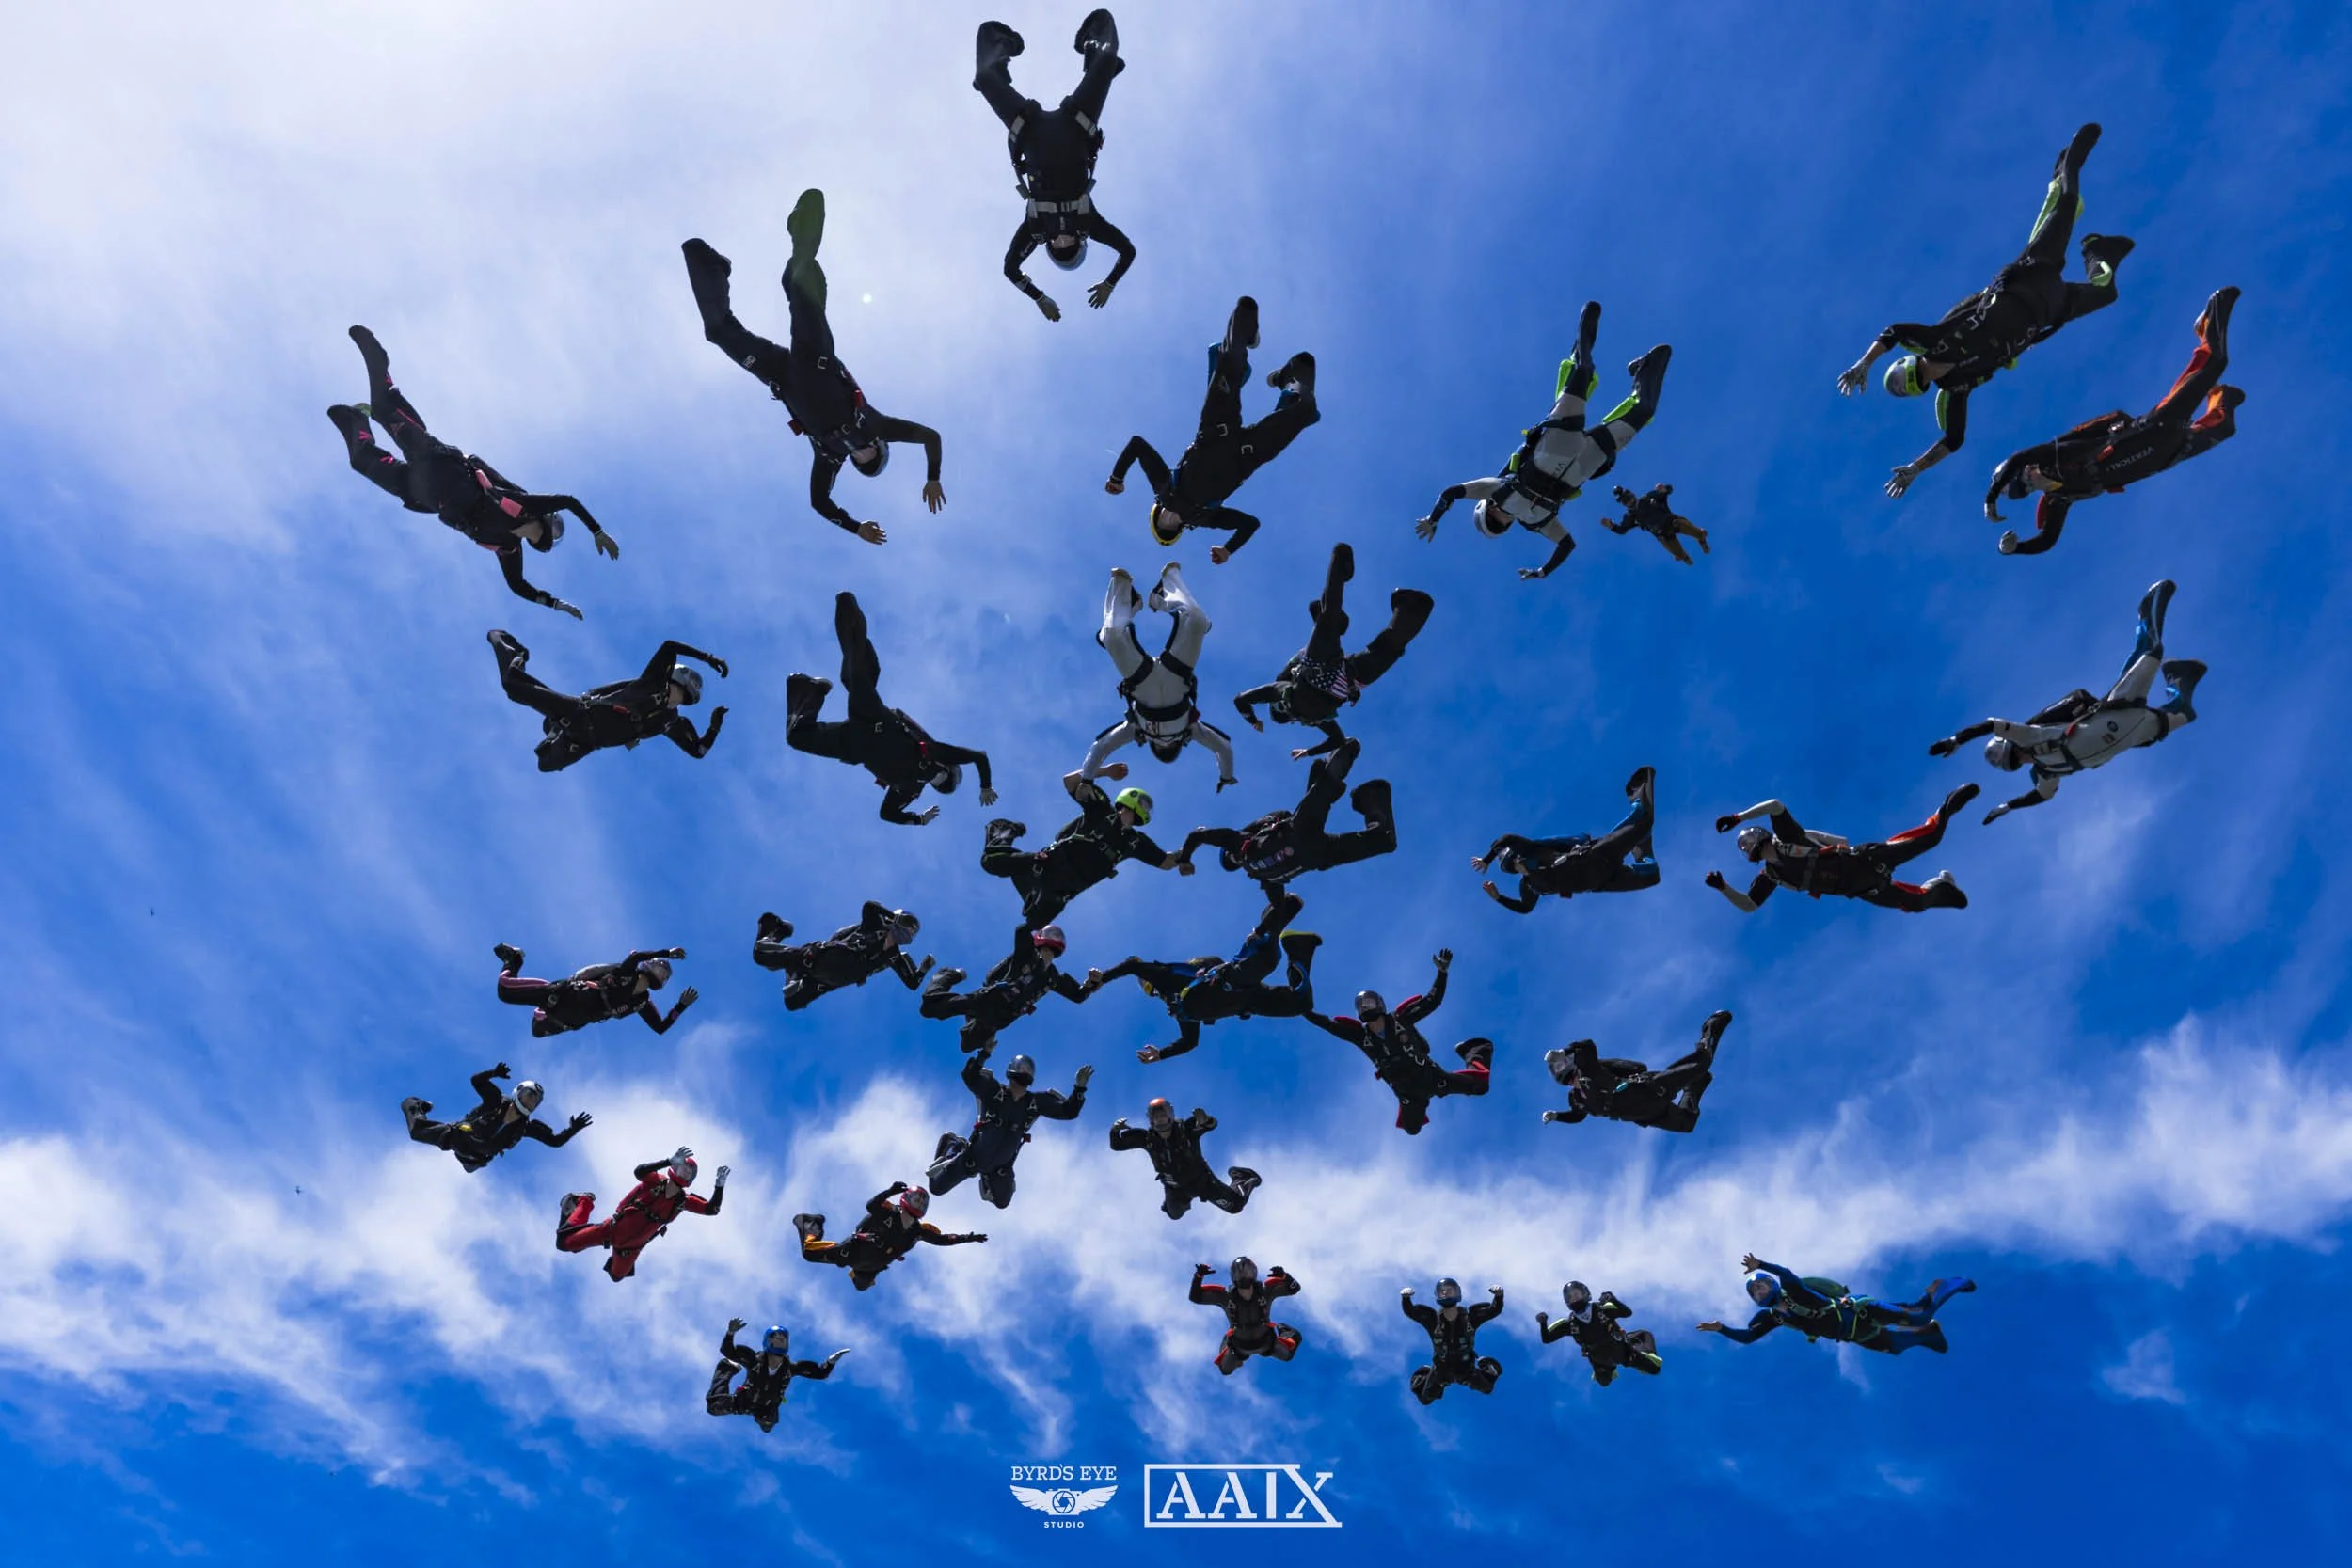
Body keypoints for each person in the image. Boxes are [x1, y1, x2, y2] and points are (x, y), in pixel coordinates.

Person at [1838, 124, 2134, 499]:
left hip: (2028, 279)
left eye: (1897, 380)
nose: (1904, 383)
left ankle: (2067, 163)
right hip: (2046, 312)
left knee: (2066, 203)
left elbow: (1894, 331)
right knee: (2106, 294)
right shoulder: (1955, 389)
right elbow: (1953, 439)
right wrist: (1915, 468)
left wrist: (1863, 364)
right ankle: (2098, 252)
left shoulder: (1934, 342)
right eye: (1901, 389)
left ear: (1906, 365)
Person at [679, 191, 945, 542]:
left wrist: (855, 527)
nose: (859, 455)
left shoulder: (830, 456)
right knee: (799, 275)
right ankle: (800, 250)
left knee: (717, 332)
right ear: (878, 446)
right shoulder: (877, 425)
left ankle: (714, 268)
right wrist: (933, 476)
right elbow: (930, 436)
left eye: (860, 463)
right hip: (815, 355)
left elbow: (819, 502)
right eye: (869, 456)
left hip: (781, 375)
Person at [326, 326, 619, 618]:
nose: (548, 538)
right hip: (437, 463)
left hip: (424, 493)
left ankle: (354, 421)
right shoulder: (526, 506)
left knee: (361, 462)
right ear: (546, 520)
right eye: (553, 531)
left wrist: (554, 603)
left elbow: (518, 586)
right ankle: (378, 360)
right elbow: (568, 500)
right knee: (383, 405)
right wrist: (597, 530)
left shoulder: (509, 547)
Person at [1415, 301, 1671, 580]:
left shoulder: (1497, 491)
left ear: (1487, 509)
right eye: (1500, 527)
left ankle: (1582, 339)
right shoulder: (1536, 522)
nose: (1502, 521)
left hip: (1556, 445)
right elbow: (1567, 545)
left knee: (1583, 370)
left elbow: (1451, 492)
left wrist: (1433, 519)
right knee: (1644, 410)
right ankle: (1643, 369)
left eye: (1494, 520)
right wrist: (1543, 571)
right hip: (1585, 464)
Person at [1985, 288, 2243, 555]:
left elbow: (2019, 457)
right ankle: (2221, 395)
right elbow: (2047, 540)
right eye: (2023, 488)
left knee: (2215, 361)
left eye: (2024, 477)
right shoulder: (2059, 499)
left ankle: (2208, 322)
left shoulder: (2058, 454)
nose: (2030, 479)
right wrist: (2015, 549)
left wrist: (1991, 497)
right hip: (2168, 454)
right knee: (2224, 428)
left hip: (2155, 427)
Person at [1930, 580, 2201, 823]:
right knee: (2184, 715)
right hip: (2133, 733)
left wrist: (1957, 740)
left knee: (2151, 651)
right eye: (2015, 763)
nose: (2021, 758)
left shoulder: (2030, 735)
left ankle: (2147, 608)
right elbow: (2042, 797)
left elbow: (1990, 725)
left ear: (2013, 745)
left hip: (2117, 711)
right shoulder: (2047, 771)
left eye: (2014, 754)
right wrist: (2009, 806)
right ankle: (2179, 677)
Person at [1105, 296, 1318, 562]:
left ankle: (1244, 336)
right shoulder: (1203, 517)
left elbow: (1137, 444)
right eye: (1172, 528)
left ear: (1156, 514)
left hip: (1216, 433)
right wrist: (1228, 550)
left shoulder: (1165, 490)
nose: (1170, 521)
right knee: (1303, 409)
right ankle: (1292, 385)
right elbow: (1250, 524)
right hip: (1245, 455)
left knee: (1231, 359)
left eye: (1164, 524)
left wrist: (1117, 477)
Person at [974, 12, 1136, 320]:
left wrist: (1038, 297)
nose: (1062, 240)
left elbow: (1010, 268)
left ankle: (1004, 47)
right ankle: (1091, 50)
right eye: (1070, 246)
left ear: (1048, 246)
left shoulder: (1035, 229)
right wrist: (1110, 283)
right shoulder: (1089, 223)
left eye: (1058, 248)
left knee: (984, 77)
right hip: (1076, 124)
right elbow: (1128, 251)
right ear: (1081, 241)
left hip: (1030, 129)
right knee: (1108, 51)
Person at [787, 592, 996, 824]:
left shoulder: (909, 791)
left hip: (853, 746)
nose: (938, 780)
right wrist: (986, 786)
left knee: (797, 737)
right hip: (876, 723)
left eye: (940, 786)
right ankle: (849, 609)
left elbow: (886, 814)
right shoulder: (936, 754)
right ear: (948, 769)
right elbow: (979, 757)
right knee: (854, 673)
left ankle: (808, 689)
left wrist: (918, 820)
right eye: (944, 779)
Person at [1232, 543, 1435, 756]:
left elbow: (1337, 740)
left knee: (1389, 647)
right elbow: (1240, 700)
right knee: (1331, 616)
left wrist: (1308, 752)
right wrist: (1253, 719)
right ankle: (1340, 565)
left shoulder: (1314, 719)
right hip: (1328, 671)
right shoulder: (1282, 691)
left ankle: (1413, 607)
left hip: (1346, 681)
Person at [1086, 893, 1321, 1063]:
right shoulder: (1180, 1009)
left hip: (1230, 981)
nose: (1155, 992)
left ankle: (1271, 919)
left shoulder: (1168, 978)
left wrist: (1103, 978)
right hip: (1249, 1000)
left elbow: (1132, 965)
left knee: (1267, 956)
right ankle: (1299, 945)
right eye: (1151, 991)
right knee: (1302, 1003)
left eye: (1150, 987)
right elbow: (1190, 1042)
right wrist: (1162, 1054)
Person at [1079, 564, 1238, 788]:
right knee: (1197, 621)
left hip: (1141, 682)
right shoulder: (1191, 731)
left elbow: (1100, 748)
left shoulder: (1136, 730)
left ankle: (1124, 590)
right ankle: (1164, 592)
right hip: (1177, 677)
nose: (1166, 743)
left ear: (1152, 745)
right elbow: (1224, 748)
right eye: (1170, 747)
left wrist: (1087, 778)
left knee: (1112, 636)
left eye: (1161, 746)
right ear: (1180, 745)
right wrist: (1226, 776)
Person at [1303, 950, 1493, 1135]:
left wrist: (1442, 973)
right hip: (1408, 1093)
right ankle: (1416, 1109)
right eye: (1361, 1005)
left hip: (1431, 1077)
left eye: (1369, 1002)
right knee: (1412, 1129)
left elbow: (1431, 1001)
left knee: (1480, 1086)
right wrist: (1302, 1007)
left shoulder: (1401, 1018)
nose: (1365, 1007)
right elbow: (1329, 1025)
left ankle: (1475, 1048)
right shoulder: (1361, 1036)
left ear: (1380, 1004)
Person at [1706, 785, 1979, 914]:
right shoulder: (1771, 876)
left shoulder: (1787, 837)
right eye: (1744, 847)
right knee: (1916, 904)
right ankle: (1941, 886)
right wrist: (1723, 888)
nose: (1747, 846)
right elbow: (1749, 905)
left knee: (1931, 838)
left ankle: (1948, 805)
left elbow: (1776, 805)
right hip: (1863, 889)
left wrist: (1738, 817)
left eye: (1748, 841)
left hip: (1866, 860)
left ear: (1762, 835)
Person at [1173, 737, 1395, 893]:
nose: (1235, 859)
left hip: (1312, 850)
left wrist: (1262, 930)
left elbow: (1278, 910)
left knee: (1379, 840)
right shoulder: (1249, 859)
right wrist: (1184, 860)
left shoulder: (1254, 865)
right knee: (1381, 839)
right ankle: (1362, 786)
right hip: (1308, 842)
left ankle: (1350, 781)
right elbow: (1197, 836)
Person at [486, 630, 726, 772]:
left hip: (585, 741)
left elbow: (698, 750)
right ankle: (505, 644)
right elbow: (670, 646)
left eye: (685, 699)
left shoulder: (670, 721)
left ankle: (554, 729)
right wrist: (707, 657)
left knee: (545, 765)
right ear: (676, 681)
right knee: (513, 687)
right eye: (682, 693)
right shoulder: (652, 682)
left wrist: (715, 727)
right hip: (580, 714)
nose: (680, 700)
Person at [983, 769, 1187, 928]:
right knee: (990, 862)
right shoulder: (1101, 809)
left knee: (1035, 925)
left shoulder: (1135, 841)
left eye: (1148, 807)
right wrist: (1105, 771)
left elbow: (1166, 862)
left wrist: (1190, 846)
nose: (1146, 808)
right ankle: (1006, 831)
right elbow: (1070, 781)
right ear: (1130, 799)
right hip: (1047, 864)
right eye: (1144, 803)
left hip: (1061, 891)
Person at [1699, 1254, 1976, 1355]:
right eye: (1754, 1292)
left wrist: (1761, 1265)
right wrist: (1720, 1327)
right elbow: (1748, 1337)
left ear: (1771, 1284)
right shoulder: (1774, 1317)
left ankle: (1942, 1287)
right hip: (1853, 1333)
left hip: (1857, 1309)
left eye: (1761, 1285)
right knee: (1894, 1346)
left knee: (1919, 1314)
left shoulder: (1791, 1288)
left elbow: (1785, 1273)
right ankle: (1929, 1335)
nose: (1760, 1292)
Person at [927, 1047, 1093, 1210]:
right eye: (1022, 1067)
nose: (1026, 1071)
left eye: (1029, 1069)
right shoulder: (994, 1091)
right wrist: (984, 1054)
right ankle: (954, 1146)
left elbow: (1069, 1111)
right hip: (974, 1157)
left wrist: (1079, 1089)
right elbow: (970, 1077)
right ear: (1012, 1069)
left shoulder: (1035, 1103)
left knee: (1002, 1202)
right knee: (936, 1188)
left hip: (999, 1167)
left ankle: (987, 1178)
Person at [1474, 767, 1658, 912]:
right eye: (1512, 866)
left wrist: (1487, 859)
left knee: (1644, 821)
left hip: (1595, 856)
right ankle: (1641, 847)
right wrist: (1498, 898)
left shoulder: (1533, 852)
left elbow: (1508, 838)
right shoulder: (1529, 885)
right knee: (1651, 877)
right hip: (1601, 881)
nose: (1517, 865)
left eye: (1514, 860)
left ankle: (1638, 793)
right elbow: (1525, 907)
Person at [1543, 1010, 1734, 1133]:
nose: (1572, 1082)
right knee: (1687, 1124)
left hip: (1652, 1087)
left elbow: (1587, 1046)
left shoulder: (1589, 1070)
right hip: (1647, 1113)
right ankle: (1694, 1086)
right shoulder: (1576, 1099)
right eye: (1567, 1081)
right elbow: (1577, 1116)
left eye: (1571, 1076)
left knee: (1703, 1062)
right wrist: (1556, 1116)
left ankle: (1711, 1026)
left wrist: (1564, 1051)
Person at [556, 1148, 727, 1283]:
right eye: (685, 1167)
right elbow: (639, 1172)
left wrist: (719, 1187)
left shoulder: (683, 1201)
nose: (687, 1173)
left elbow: (711, 1210)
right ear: (676, 1166)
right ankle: (585, 1201)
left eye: (691, 1172)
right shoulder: (656, 1180)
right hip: (612, 1230)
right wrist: (667, 1160)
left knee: (617, 1276)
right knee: (565, 1243)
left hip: (630, 1249)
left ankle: (585, 1224)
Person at [921, 924, 1090, 1053]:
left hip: (1000, 1019)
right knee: (929, 1008)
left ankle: (972, 1025)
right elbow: (1021, 931)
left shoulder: (1053, 978)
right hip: (985, 1001)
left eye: (1053, 953)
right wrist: (1040, 915)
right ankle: (949, 975)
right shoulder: (1026, 955)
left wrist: (1093, 982)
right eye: (1052, 937)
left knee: (967, 1046)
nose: (1049, 956)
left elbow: (1078, 996)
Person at [401, 1062, 589, 1173]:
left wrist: (573, 1130)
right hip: (457, 1137)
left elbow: (554, 1141)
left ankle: (470, 1159)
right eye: (529, 1096)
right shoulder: (495, 1101)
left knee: (469, 1168)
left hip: (474, 1159)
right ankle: (416, 1104)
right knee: (416, 1132)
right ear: (518, 1092)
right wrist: (493, 1073)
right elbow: (476, 1081)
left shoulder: (525, 1127)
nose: (530, 1103)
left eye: (535, 1102)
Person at [794, 1184, 986, 1292]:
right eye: (916, 1198)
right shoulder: (888, 1212)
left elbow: (943, 1239)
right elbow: (871, 1205)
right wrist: (891, 1191)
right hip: (852, 1252)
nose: (919, 1203)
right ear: (905, 1198)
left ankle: (861, 1276)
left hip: (874, 1266)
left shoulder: (919, 1230)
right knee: (808, 1253)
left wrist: (968, 1238)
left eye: (922, 1202)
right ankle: (811, 1222)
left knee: (861, 1287)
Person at [491, 942, 698, 1038]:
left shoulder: (642, 1002)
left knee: (535, 1031)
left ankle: (542, 1009)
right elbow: (635, 957)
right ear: (651, 965)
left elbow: (660, 1027)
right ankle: (514, 959)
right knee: (504, 991)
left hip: (569, 1020)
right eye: (664, 969)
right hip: (562, 995)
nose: (665, 975)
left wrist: (681, 1006)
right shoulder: (627, 972)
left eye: (667, 976)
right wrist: (667, 953)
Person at [753, 905, 932, 1011]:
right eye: (908, 925)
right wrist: (891, 916)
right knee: (760, 956)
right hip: (821, 957)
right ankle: (773, 927)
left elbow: (913, 983)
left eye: (913, 932)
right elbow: (869, 906)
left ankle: (793, 971)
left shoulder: (895, 957)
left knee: (791, 1003)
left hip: (830, 981)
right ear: (897, 919)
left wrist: (924, 968)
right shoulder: (873, 926)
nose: (909, 932)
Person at [1109, 1099, 1261, 1219]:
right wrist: (1115, 1131)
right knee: (1174, 1215)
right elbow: (1117, 1145)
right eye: (1156, 1117)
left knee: (1235, 1207)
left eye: (1162, 1115)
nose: (1160, 1120)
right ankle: (1172, 1204)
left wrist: (1205, 1120)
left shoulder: (1185, 1130)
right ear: (1151, 1120)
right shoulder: (1147, 1138)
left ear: (1170, 1116)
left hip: (1203, 1183)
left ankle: (1242, 1177)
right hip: (1175, 1188)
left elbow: (1210, 1125)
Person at [706, 1319, 848, 1433]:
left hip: (767, 1408)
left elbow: (820, 1373)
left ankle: (765, 1422)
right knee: (713, 1407)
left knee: (768, 1426)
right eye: (775, 1339)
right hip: (745, 1401)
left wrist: (830, 1362)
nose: (779, 1341)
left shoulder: (790, 1368)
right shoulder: (754, 1360)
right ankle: (726, 1368)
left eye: (782, 1340)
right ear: (768, 1342)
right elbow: (727, 1351)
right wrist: (730, 1333)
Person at [1536, 1282, 1663, 1386]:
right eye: (1569, 1297)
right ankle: (1606, 1370)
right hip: (1602, 1360)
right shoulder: (1570, 1323)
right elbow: (1547, 1338)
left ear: (1586, 1294)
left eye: (1576, 1294)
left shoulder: (1603, 1309)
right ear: (1567, 1303)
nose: (1573, 1298)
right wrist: (1543, 1323)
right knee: (1604, 1382)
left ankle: (1645, 1353)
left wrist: (1613, 1299)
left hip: (1621, 1351)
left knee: (1654, 1366)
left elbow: (1627, 1313)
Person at [1191, 1258, 1303, 1375]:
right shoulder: (1226, 1297)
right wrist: (1198, 1277)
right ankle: (1227, 1341)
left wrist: (1285, 1276)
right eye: (1239, 1273)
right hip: (1239, 1346)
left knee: (1288, 1354)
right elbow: (1195, 1297)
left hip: (1266, 1342)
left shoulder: (1266, 1292)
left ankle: (1286, 1331)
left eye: (1246, 1272)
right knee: (1225, 1370)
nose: (1243, 1276)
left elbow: (1294, 1288)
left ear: (1253, 1273)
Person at [1403, 1279, 1504, 1403]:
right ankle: (1423, 1373)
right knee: (1426, 1398)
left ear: (1457, 1293)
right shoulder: (1433, 1320)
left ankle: (1488, 1366)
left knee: (1487, 1388)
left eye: (1449, 1290)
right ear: (1438, 1295)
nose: (1445, 1293)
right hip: (1441, 1368)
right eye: (1442, 1291)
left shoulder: (1470, 1318)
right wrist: (1406, 1299)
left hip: (1465, 1367)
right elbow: (1411, 1312)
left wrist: (1498, 1296)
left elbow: (1493, 1310)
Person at [1601, 483, 1709, 563]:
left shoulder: (1647, 498)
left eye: (1629, 498)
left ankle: (1701, 538)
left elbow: (1666, 491)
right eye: (1625, 502)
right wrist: (1612, 526)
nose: (1630, 502)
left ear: (1633, 495)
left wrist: (1664, 489)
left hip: (1672, 522)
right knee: (1677, 553)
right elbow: (1622, 529)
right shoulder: (1630, 516)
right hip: (1663, 535)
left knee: (1696, 532)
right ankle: (1683, 556)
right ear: (1623, 504)